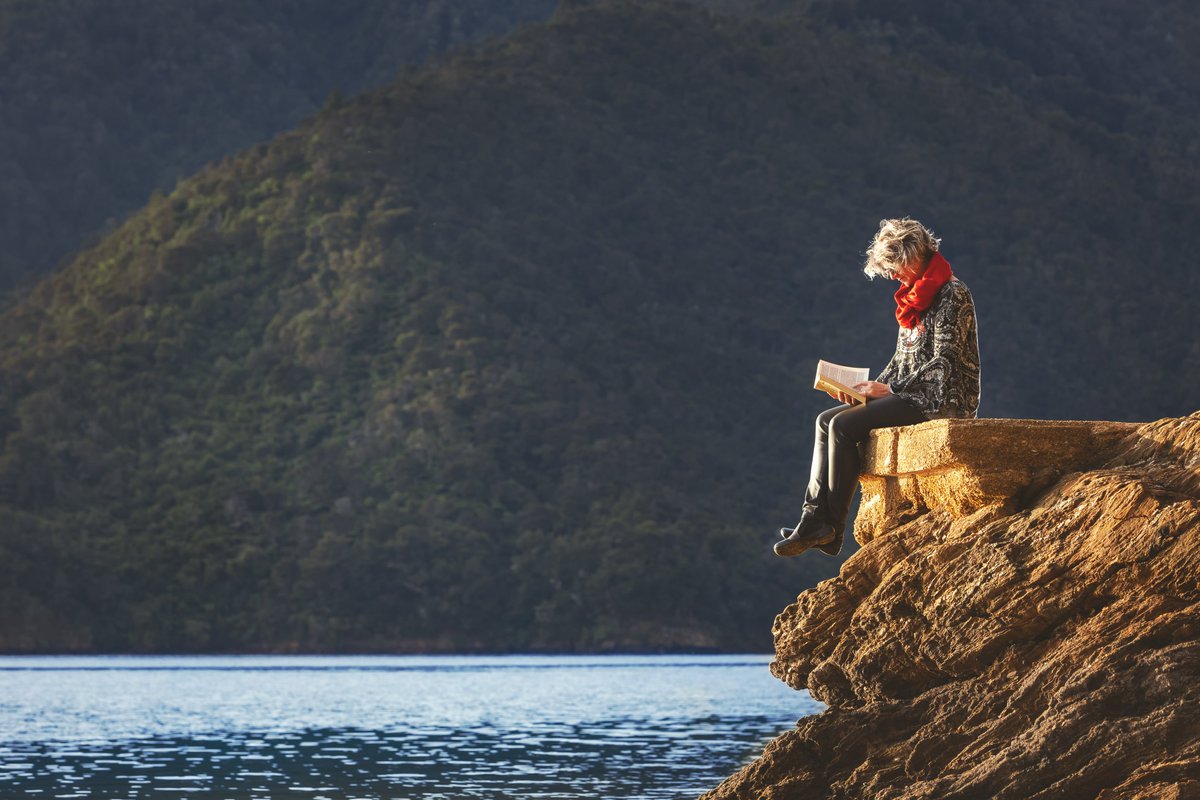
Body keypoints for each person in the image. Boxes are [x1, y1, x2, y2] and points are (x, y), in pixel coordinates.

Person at [775, 218, 980, 558]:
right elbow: (905, 360)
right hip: (912, 392)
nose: (892, 275)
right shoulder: (916, 296)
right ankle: (815, 519)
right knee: (825, 420)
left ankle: (828, 527)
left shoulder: (951, 293)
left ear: (913, 255)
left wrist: (891, 389)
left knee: (843, 425)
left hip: (942, 398)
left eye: (895, 267)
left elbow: (944, 359)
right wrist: (864, 387)